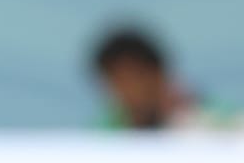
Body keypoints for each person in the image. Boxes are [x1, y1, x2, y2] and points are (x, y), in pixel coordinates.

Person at [91, 25, 238, 130]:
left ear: (157, 73)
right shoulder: (109, 130)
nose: (125, 91)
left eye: (130, 80)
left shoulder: (214, 123)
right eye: (114, 82)